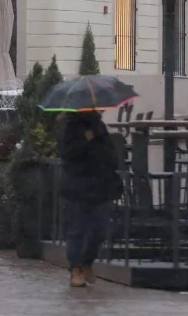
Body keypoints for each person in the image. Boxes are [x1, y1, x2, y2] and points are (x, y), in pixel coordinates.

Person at [57, 109, 119, 288]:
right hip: (76, 187)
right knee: (76, 229)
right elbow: (67, 153)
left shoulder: (99, 126)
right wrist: (86, 139)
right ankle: (75, 268)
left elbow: (111, 155)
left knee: (100, 230)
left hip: (100, 187)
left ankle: (87, 262)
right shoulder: (69, 126)